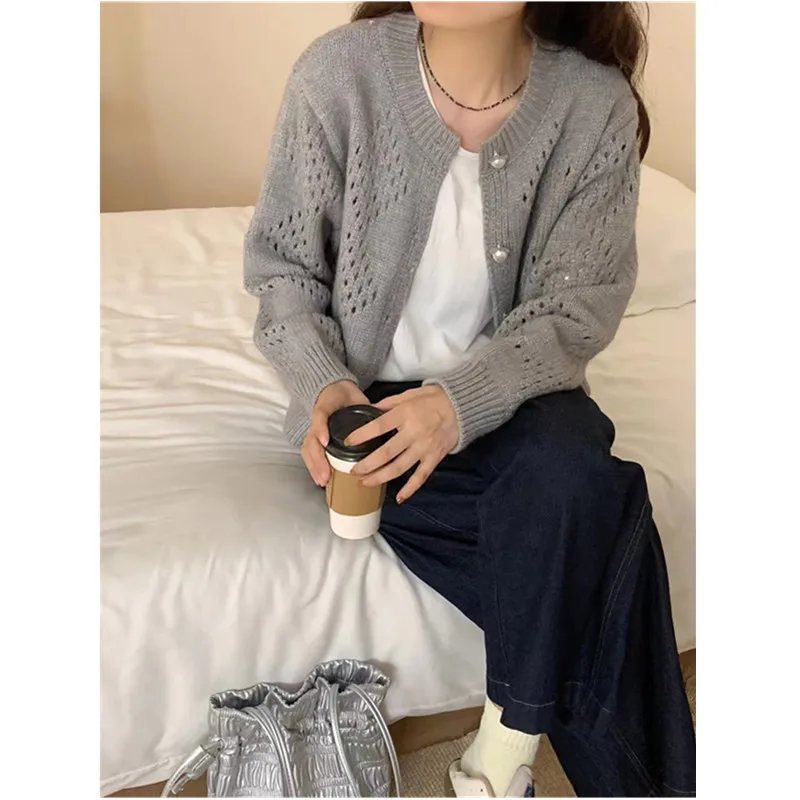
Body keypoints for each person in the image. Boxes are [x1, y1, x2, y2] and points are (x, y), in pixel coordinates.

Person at [244, 2, 696, 796]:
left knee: (571, 477)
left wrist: (458, 404)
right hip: (371, 410)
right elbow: (283, 271)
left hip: (520, 394)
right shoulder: (339, 74)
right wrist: (327, 384)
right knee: (600, 522)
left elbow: (575, 310)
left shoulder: (595, 106)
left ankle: (500, 752)